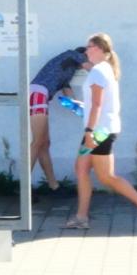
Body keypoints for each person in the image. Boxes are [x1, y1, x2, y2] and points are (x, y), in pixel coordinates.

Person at [64, 33, 137, 230]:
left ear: (98, 48)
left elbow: (97, 104)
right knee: (81, 168)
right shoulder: (103, 70)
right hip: (99, 130)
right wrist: (82, 108)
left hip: (99, 132)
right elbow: (97, 104)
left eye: (89, 47)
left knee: (106, 177)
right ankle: (81, 217)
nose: (86, 51)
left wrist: (89, 131)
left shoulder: (98, 71)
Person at [28, 45, 90, 190]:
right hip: (38, 93)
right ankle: (23, 188)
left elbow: (72, 101)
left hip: (39, 95)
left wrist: (89, 113)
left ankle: (54, 186)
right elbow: (90, 66)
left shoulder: (66, 74)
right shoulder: (71, 54)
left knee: (44, 143)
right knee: (37, 142)